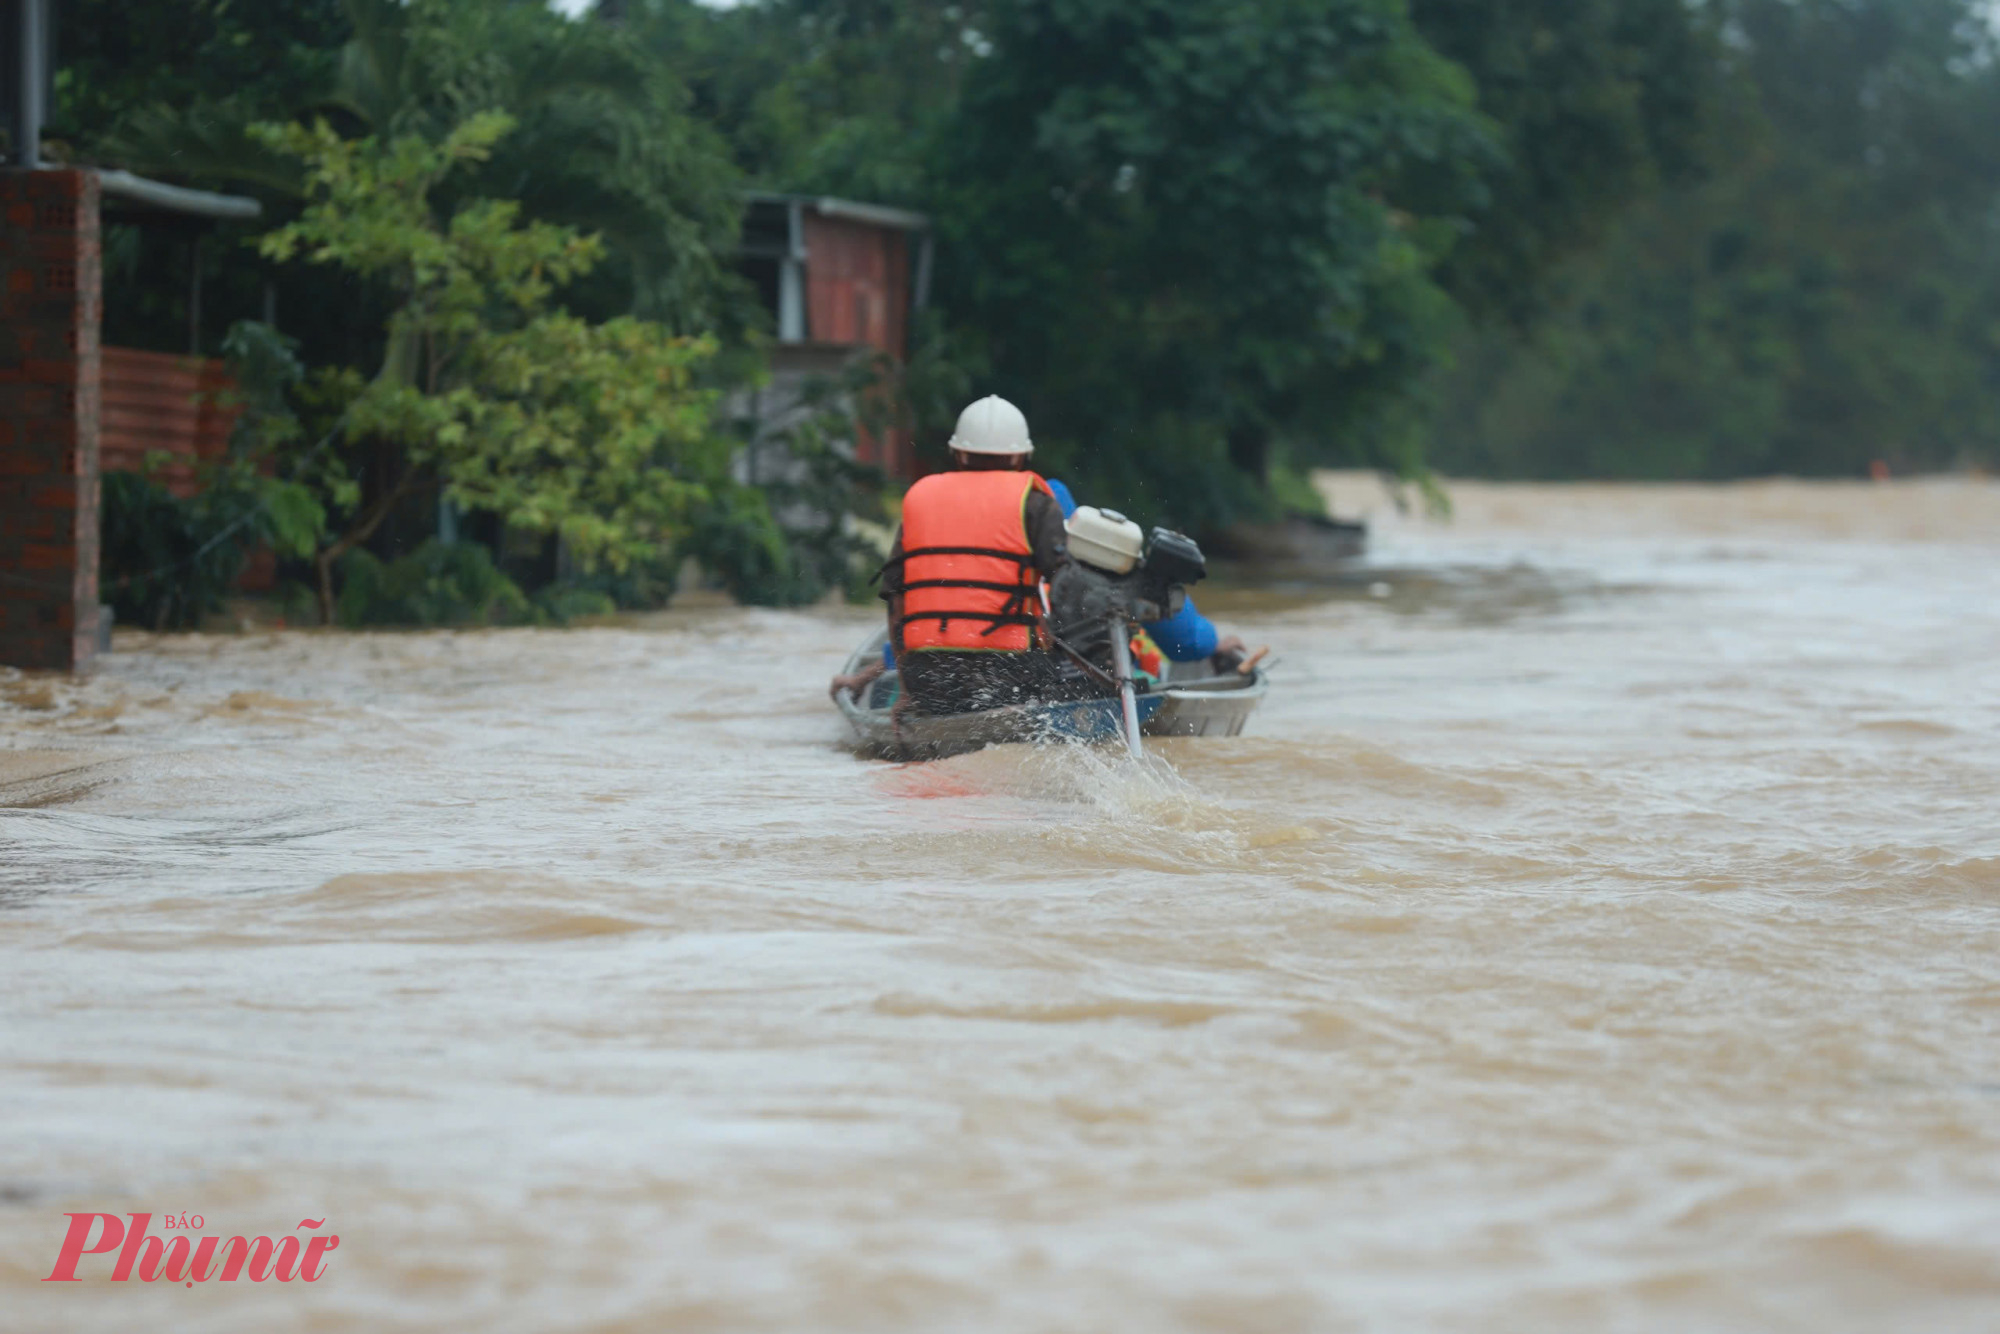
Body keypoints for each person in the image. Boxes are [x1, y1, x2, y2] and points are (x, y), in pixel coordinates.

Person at [864, 396, 1079, 715]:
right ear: (1021, 455)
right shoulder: (1036, 504)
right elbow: (1069, 589)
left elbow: (897, 604)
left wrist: (908, 693)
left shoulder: (920, 500)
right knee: (1069, 681)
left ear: (959, 452)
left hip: (930, 678)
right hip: (1010, 674)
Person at [1042, 478, 1249, 673]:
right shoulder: (1048, 497)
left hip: (1022, 666)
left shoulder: (1040, 500)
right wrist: (1211, 643)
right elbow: (1186, 643)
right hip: (1080, 673)